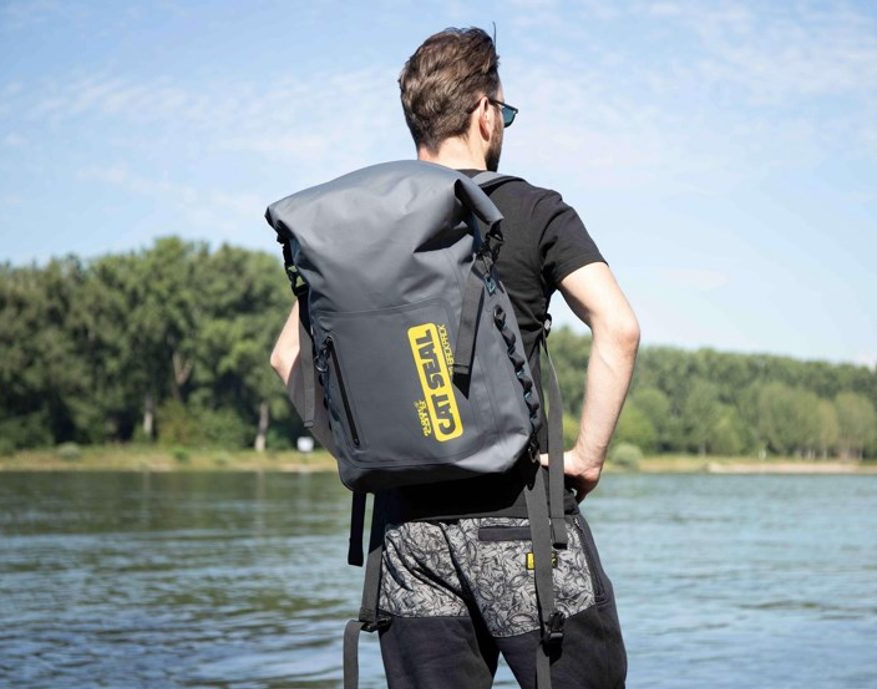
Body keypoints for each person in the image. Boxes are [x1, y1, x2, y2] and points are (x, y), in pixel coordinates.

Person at [270, 27, 639, 689]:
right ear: (484, 112)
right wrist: (587, 456)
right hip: (520, 520)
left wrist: (366, 453)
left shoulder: (361, 230)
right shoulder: (533, 208)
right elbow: (618, 326)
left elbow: (286, 357)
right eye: (505, 111)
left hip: (407, 538)